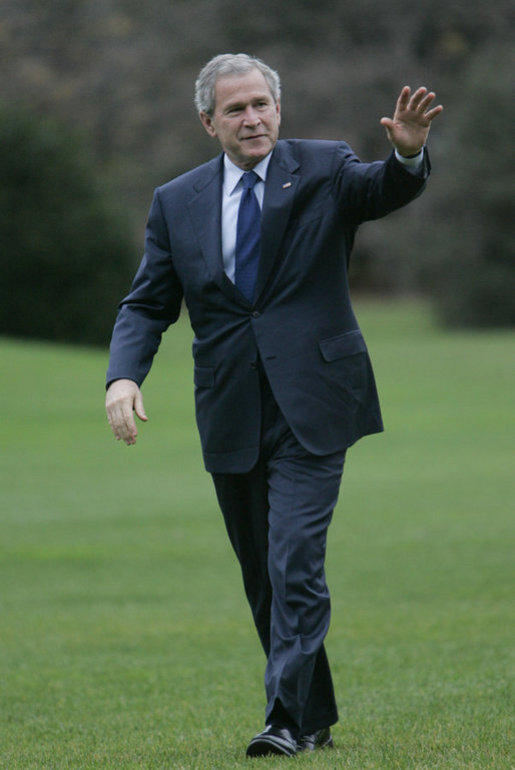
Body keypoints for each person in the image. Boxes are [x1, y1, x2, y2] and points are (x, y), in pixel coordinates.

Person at [105, 53, 442, 758]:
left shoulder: (321, 168)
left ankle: (283, 720)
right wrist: (123, 377)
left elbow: (378, 190)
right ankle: (313, 717)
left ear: (278, 109)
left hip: (314, 401)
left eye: (261, 103)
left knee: (293, 559)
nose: (252, 117)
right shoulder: (177, 201)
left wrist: (406, 154)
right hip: (229, 406)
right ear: (208, 122)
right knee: (262, 573)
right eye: (235, 109)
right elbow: (147, 303)